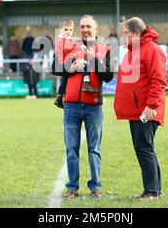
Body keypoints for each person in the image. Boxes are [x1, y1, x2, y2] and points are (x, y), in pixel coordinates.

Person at [51, 15, 113, 198]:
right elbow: (55, 67)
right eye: (82, 26)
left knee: (94, 148)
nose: (85, 29)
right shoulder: (70, 45)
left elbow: (109, 76)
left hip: (94, 106)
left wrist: (93, 60)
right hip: (71, 106)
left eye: (88, 26)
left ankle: (95, 187)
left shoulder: (105, 48)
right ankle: (72, 188)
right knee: (71, 148)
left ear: (96, 28)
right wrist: (72, 67)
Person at [114, 17, 167, 200]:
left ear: (137, 33)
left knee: (144, 149)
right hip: (137, 110)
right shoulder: (134, 50)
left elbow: (158, 80)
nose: (124, 36)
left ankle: (152, 191)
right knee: (144, 149)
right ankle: (154, 190)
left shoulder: (151, 49)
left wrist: (151, 106)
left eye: (126, 33)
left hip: (146, 110)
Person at [54, 19, 95, 109]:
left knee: (65, 80)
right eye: (66, 29)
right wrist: (79, 47)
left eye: (70, 30)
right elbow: (68, 49)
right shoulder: (62, 39)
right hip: (65, 62)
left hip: (66, 62)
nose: (68, 32)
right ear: (61, 30)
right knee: (85, 64)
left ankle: (59, 97)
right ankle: (86, 82)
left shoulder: (68, 39)